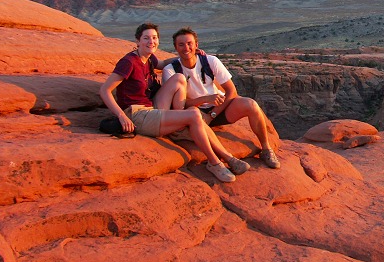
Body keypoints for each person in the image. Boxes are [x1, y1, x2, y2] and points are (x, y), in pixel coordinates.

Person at [99, 23, 251, 182]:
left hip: (152, 107)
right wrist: (122, 115)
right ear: (137, 41)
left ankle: (224, 154)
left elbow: (164, 64)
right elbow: (105, 90)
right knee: (193, 114)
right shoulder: (129, 62)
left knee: (179, 78)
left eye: (154, 38)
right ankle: (215, 162)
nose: (151, 41)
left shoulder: (149, 58)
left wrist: (193, 54)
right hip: (137, 114)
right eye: (146, 38)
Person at [161, 26, 280, 169]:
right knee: (192, 110)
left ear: (196, 45)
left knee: (251, 105)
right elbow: (179, 105)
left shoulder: (210, 61)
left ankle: (266, 149)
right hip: (196, 112)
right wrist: (205, 99)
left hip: (219, 107)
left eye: (189, 43)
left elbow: (231, 91)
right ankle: (224, 160)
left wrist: (212, 114)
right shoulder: (171, 70)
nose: (186, 48)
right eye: (181, 44)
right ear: (175, 47)